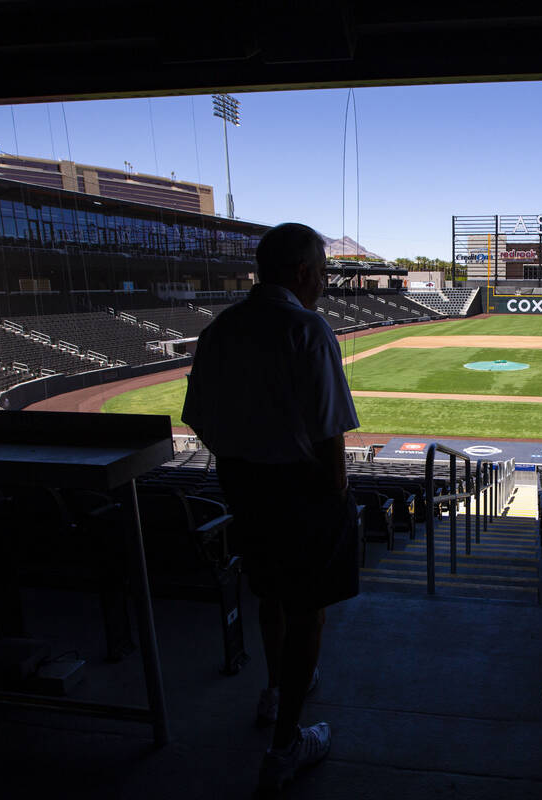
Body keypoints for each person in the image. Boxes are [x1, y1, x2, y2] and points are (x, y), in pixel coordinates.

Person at [182, 222, 359, 797]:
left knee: (270, 594)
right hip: (303, 489)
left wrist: (244, 455)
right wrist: (335, 494)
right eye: (324, 270)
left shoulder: (219, 330)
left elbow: (198, 419)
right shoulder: (308, 329)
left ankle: (275, 690)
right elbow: (331, 430)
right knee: (309, 610)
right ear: (304, 271)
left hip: (241, 483)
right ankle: (285, 745)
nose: (327, 280)